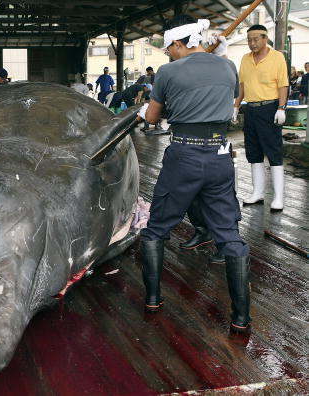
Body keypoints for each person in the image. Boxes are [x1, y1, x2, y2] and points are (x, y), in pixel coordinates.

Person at [138, 15, 251, 333]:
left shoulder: (168, 71)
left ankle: (152, 299)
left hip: (183, 156)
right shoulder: (227, 67)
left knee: (157, 229)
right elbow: (232, 102)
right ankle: (241, 319)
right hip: (219, 156)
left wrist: (144, 112)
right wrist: (218, 58)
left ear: (177, 43)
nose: (167, 54)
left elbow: (151, 117)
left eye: (168, 49)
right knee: (230, 235)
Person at [233, 25, 289, 211]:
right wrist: (236, 105)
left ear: (265, 38)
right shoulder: (245, 59)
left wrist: (281, 108)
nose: (252, 43)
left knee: (273, 152)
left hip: (270, 108)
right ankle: (258, 193)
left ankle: (279, 197)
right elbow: (242, 84)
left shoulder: (277, 57)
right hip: (251, 109)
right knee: (253, 152)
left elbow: (283, 85)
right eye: (249, 40)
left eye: (256, 39)